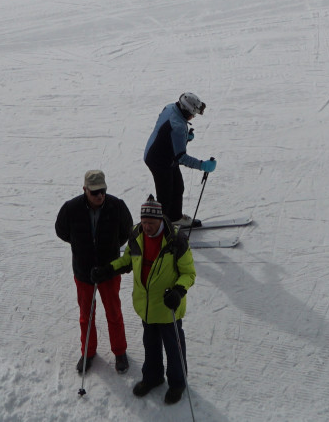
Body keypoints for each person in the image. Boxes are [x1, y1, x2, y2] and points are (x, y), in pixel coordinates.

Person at [95, 196, 196, 404]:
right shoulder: (136, 234)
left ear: (160, 220)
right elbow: (128, 260)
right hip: (146, 306)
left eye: (151, 223)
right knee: (150, 345)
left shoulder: (176, 240)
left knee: (174, 348)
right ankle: (153, 377)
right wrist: (108, 270)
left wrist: (178, 291)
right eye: (144, 222)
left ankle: (177, 383)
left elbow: (189, 273)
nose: (147, 227)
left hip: (168, 307)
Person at [54, 168, 134, 375]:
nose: (100, 196)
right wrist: (81, 246)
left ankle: (120, 351)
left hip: (109, 270)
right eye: (95, 192)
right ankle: (88, 352)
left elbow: (126, 232)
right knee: (86, 315)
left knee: (114, 312)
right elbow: (61, 230)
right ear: (85, 190)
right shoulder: (71, 208)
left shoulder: (117, 206)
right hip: (84, 272)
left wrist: (110, 250)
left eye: (103, 191)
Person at [143, 91, 215, 228]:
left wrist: (184, 137)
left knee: (178, 187)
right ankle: (159, 227)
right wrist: (203, 165)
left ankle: (175, 218)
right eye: (193, 114)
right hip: (158, 160)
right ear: (187, 111)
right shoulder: (178, 126)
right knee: (165, 195)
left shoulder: (170, 107)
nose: (193, 117)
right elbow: (181, 157)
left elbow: (166, 132)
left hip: (163, 154)